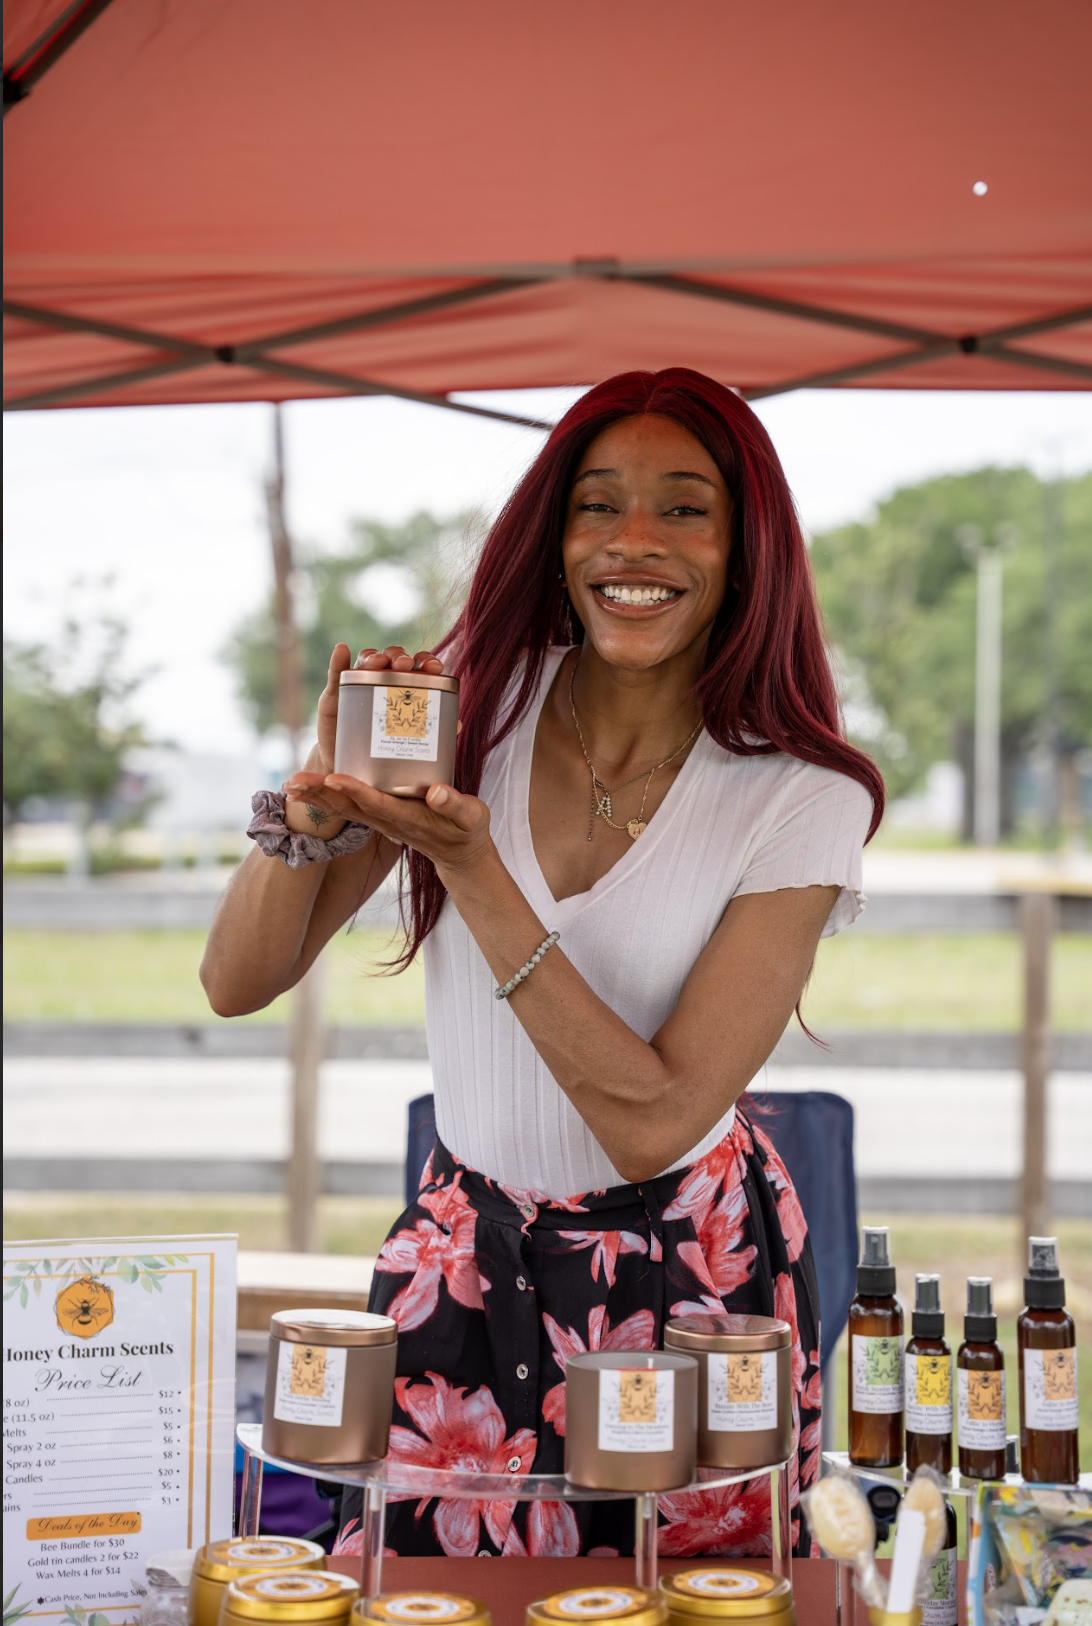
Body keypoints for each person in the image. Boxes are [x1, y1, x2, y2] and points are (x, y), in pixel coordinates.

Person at [201, 367, 883, 1561]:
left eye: (685, 507)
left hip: (691, 1279)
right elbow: (236, 980)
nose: (634, 541)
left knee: (683, 1587)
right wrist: (308, 819)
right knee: (422, 1584)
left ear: (747, 547)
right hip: (466, 1253)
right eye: (596, 503)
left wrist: (475, 871)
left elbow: (657, 1118)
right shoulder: (473, 709)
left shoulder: (799, 796)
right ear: (554, 534)